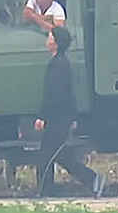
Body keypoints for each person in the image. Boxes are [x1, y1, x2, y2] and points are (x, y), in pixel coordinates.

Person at [35, 26, 105, 198]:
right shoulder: (60, 62)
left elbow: (54, 95)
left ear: (56, 43)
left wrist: (43, 117)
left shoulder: (58, 65)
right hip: (62, 118)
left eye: (50, 36)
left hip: (57, 119)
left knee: (48, 156)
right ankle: (48, 190)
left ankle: (91, 179)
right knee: (57, 155)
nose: (48, 39)